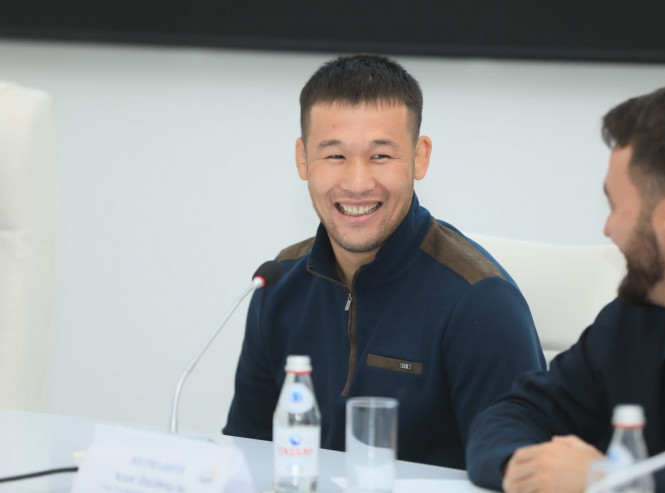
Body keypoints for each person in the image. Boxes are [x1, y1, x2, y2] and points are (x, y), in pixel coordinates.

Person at [223, 54, 545, 469]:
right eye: (334, 156)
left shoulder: (481, 302)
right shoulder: (277, 284)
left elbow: (522, 475)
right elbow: (246, 456)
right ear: (303, 159)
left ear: (419, 157)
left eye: (380, 156)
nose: (357, 183)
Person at [466, 78, 665, 492]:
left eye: (614, 206)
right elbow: (516, 413)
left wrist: (615, 481)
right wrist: (526, 467)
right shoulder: (634, 319)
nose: (607, 229)